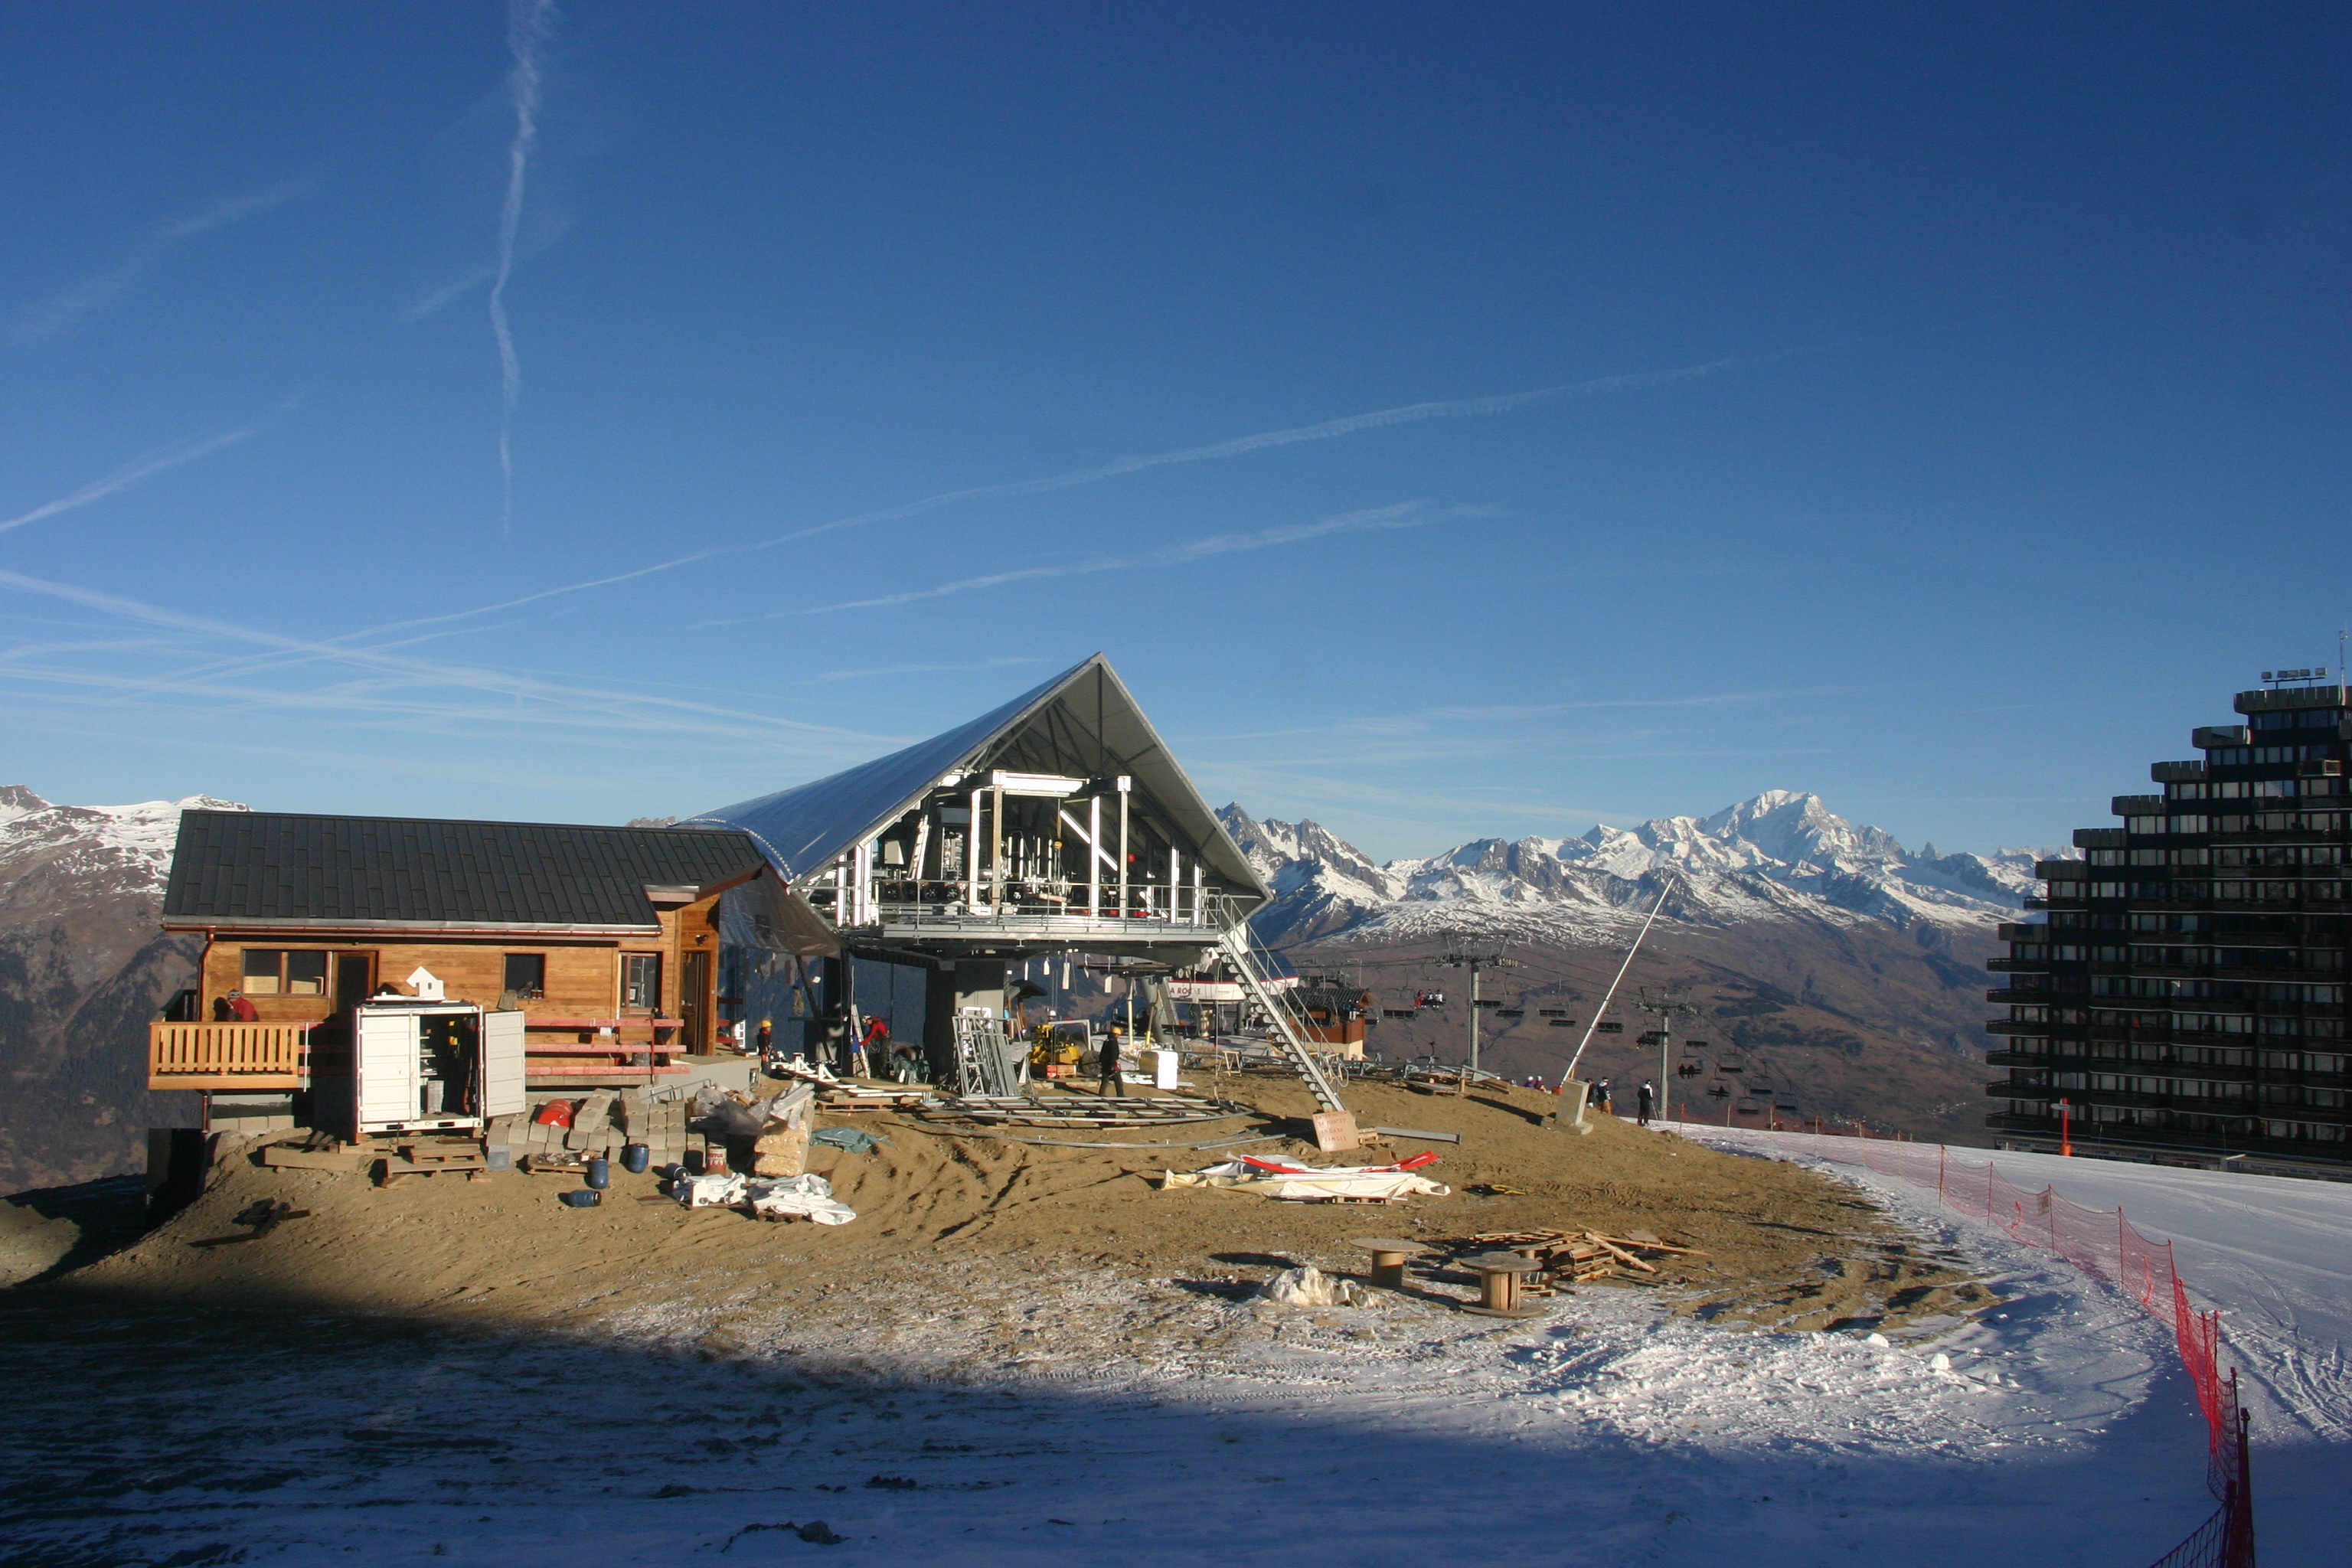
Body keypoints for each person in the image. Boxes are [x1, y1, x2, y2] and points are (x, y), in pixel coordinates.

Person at [1097, 1024, 1126, 1097]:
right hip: (1112, 1064)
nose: (1118, 1037)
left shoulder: (1107, 1041)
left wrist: (1101, 1061)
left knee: (1105, 1079)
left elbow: (1102, 1053)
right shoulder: (1114, 1042)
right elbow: (1114, 1053)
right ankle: (1120, 1095)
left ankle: (1102, 1093)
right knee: (1118, 1079)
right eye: (1118, 1035)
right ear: (1115, 1035)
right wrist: (1114, 1063)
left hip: (1105, 1064)